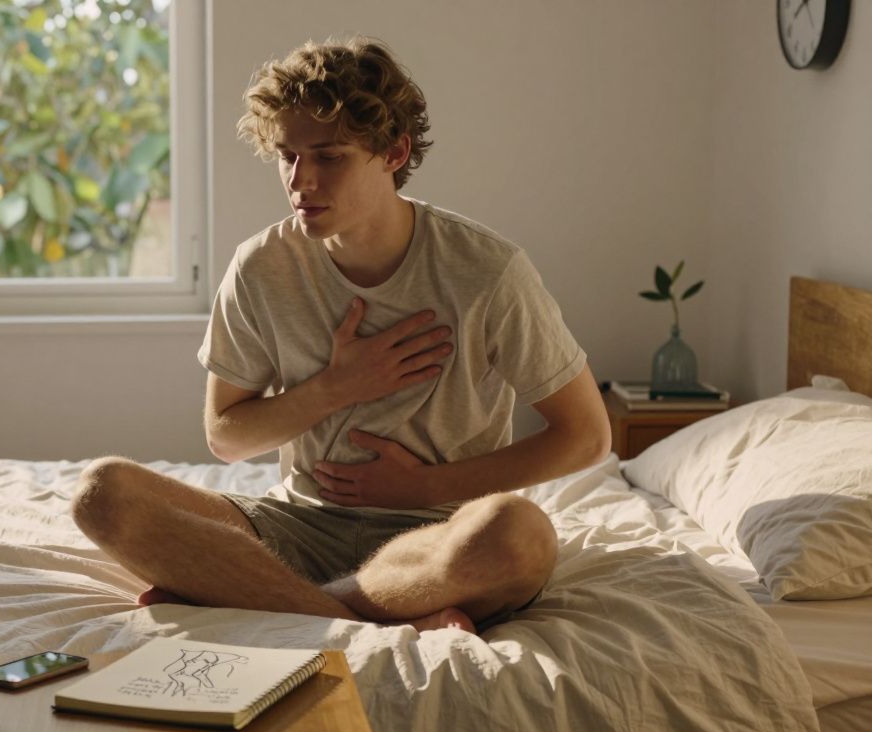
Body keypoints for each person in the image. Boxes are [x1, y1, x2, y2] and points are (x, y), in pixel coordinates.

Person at [72, 37, 610, 633]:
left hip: (436, 536)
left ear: (393, 152)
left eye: (329, 157)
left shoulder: (486, 270)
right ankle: (363, 611)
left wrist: (422, 487)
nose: (300, 180)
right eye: (287, 156)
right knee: (103, 492)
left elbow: (586, 437)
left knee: (519, 536)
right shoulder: (261, 266)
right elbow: (226, 437)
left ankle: (251, 593)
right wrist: (338, 387)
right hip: (294, 527)